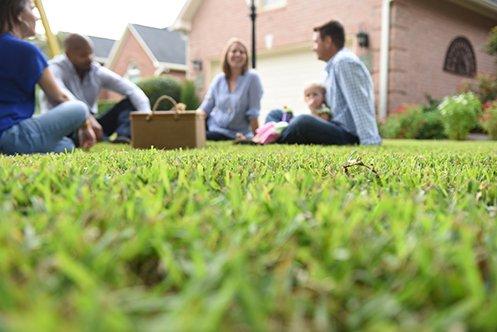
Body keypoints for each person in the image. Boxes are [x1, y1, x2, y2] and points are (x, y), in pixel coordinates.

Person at [0, 0, 96, 155]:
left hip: (11, 134)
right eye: (31, 9)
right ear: (19, 15)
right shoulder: (27, 50)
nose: (36, 17)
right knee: (80, 107)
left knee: (66, 145)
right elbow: (59, 96)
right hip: (10, 135)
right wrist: (85, 124)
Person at [278, 20, 382, 146]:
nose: (313, 48)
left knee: (302, 122)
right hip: (332, 125)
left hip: (347, 134)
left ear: (328, 41)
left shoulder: (344, 62)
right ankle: (271, 133)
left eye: (316, 42)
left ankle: (273, 136)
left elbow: (359, 104)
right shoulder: (332, 66)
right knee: (277, 114)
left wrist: (369, 141)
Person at [41, 33, 151, 144]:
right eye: (83, 55)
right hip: (63, 125)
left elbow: (132, 89)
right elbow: (62, 95)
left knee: (129, 102)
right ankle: (91, 138)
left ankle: (123, 137)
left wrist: (146, 115)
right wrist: (86, 118)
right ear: (69, 55)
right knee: (71, 134)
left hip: (93, 124)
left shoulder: (96, 71)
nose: (89, 59)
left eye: (91, 54)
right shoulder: (53, 69)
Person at [198, 38, 263, 141]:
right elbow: (205, 109)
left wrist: (257, 137)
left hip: (235, 133)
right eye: (233, 51)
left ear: (246, 57)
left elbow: (253, 112)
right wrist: (189, 121)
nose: (238, 54)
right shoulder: (218, 80)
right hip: (213, 126)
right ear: (227, 55)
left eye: (242, 52)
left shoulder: (253, 78)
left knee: (206, 137)